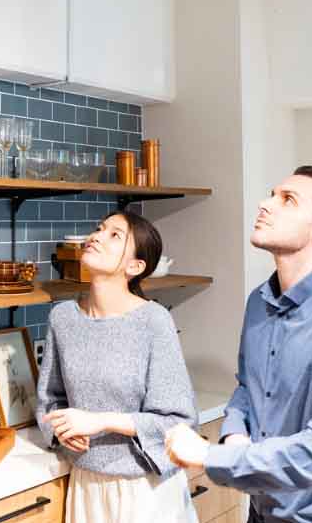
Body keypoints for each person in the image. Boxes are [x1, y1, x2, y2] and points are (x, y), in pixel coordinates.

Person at [165, 166, 312, 523]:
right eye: (272, 194)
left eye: (287, 200)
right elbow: (248, 388)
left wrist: (209, 455)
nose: (265, 204)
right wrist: (235, 436)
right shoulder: (258, 302)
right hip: (262, 513)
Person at [37, 210, 199, 523]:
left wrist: (100, 422)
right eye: (98, 229)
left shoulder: (154, 321)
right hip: (87, 485)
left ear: (135, 267)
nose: (96, 236)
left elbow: (180, 422)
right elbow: (50, 400)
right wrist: (61, 432)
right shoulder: (63, 318)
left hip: (147, 490)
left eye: (114, 235)